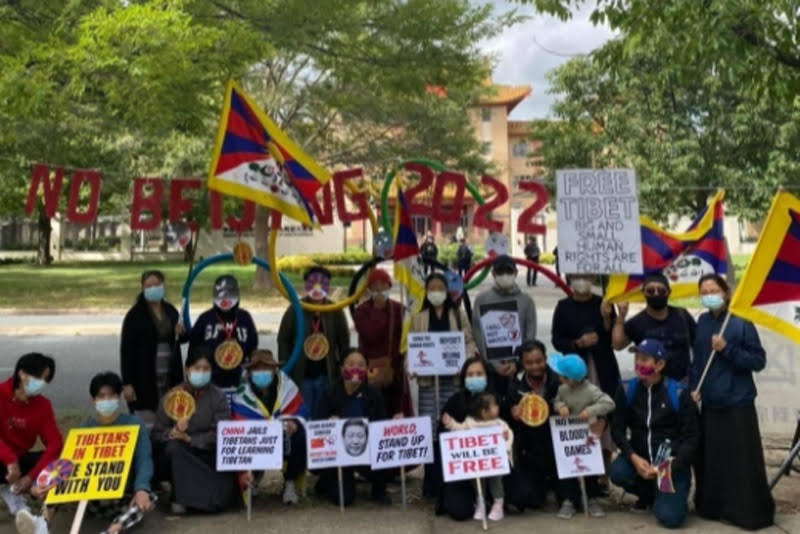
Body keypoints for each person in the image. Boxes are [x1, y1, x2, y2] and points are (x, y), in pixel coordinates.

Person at [18, 372, 158, 534]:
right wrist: (42, 485)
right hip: (91, 500)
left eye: (111, 396)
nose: (106, 401)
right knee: (58, 482)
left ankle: (113, 530)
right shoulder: (84, 429)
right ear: (94, 400)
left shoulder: (134, 424)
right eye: (101, 396)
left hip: (123, 497)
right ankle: (42, 524)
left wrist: (141, 488)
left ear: (119, 398)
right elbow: (66, 464)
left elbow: (144, 459)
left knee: (149, 496)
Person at [689, 274, 774, 530]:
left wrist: (727, 348)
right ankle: (714, 507)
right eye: (704, 291)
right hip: (711, 403)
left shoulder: (741, 321)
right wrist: (695, 388)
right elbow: (699, 361)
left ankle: (747, 512)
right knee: (713, 460)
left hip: (738, 402)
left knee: (741, 461)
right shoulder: (702, 321)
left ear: (726, 292)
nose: (709, 294)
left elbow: (758, 361)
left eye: (714, 289)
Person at [610, 339, 698, 529]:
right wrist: (633, 457)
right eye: (636, 359)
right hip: (640, 460)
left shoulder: (679, 393)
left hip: (669, 466)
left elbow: (692, 439)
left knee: (669, 518)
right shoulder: (627, 389)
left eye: (644, 359)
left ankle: (666, 494)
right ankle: (649, 494)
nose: (638, 364)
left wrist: (670, 466)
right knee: (617, 472)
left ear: (660, 365)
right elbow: (617, 429)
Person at [410, 272, 477, 498]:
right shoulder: (418, 318)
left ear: (446, 291)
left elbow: (468, 340)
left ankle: (454, 478)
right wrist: (411, 366)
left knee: (452, 425)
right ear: (427, 292)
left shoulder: (457, 314)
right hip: (428, 383)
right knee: (430, 428)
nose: (436, 292)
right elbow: (411, 348)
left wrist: (464, 361)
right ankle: (431, 482)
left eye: (440, 287)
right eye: (432, 288)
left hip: (453, 380)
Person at [151, 346, 233, 514]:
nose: (201, 373)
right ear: (187, 370)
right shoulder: (172, 396)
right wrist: (173, 432)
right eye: (197, 368)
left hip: (206, 453)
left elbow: (222, 434)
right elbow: (156, 434)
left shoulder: (218, 397)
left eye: (206, 369)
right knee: (174, 448)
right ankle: (180, 498)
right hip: (179, 454)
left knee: (224, 492)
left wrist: (190, 439)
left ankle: (198, 498)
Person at [554, 273, 620, 468]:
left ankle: (604, 473)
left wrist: (609, 318)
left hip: (602, 368)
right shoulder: (563, 306)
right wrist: (577, 343)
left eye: (585, 276)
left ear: (593, 279)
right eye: (576, 276)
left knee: (603, 417)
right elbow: (556, 340)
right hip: (575, 373)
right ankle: (580, 469)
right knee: (577, 415)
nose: (581, 280)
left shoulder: (604, 304)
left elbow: (614, 339)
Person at [231, 349, 307, 505]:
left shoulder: (287, 386)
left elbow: (301, 410)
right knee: (241, 437)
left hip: (284, 438)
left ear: (274, 369)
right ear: (250, 371)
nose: (261, 372)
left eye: (266, 368)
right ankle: (252, 478)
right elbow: (237, 421)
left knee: (300, 435)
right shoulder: (242, 393)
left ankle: (290, 482)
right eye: (257, 369)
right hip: (256, 442)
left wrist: (294, 422)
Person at [316, 349, 390, 506]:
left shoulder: (374, 394)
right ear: (342, 368)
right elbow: (316, 427)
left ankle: (379, 487)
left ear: (367, 370)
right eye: (350, 364)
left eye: (361, 365)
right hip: (338, 454)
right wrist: (329, 424)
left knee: (387, 452)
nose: (356, 369)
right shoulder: (329, 393)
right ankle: (327, 479)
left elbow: (382, 427)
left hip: (366, 449)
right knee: (343, 499)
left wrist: (396, 424)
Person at [548, 353, 615, 519]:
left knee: (590, 468)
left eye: (562, 375)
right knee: (568, 467)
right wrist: (560, 406)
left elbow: (609, 403)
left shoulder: (591, 390)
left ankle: (592, 499)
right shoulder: (562, 389)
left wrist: (590, 411)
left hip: (588, 436)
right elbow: (556, 401)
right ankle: (569, 500)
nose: (559, 377)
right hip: (569, 436)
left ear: (571, 379)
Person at [278, 266, 350, 420]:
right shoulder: (295, 309)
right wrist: (286, 368)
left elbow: (344, 340)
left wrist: (342, 365)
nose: (317, 287)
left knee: (325, 416)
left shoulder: (335, 309)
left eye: (323, 283)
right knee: (304, 416)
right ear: (305, 285)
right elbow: (283, 339)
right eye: (312, 283)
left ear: (328, 286)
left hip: (328, 376)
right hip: (302, 377)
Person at [0, 353, 62, 528]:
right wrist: (10, 460)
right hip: (4, 458)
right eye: (38, 377)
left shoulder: (42, 405)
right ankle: (14, 491)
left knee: (61, 464)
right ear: (21, 373)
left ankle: (41, 521)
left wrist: (30, 477)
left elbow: (55, 443)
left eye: (45, 379)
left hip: (21, 461)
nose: (41, 383)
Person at [121, 270, 187, 425]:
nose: (153, 288)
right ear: (142, 288)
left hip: (170, 372)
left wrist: (181, 331)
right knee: (148, 419)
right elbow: (126, 351)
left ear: (163, 286)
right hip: (144, 375)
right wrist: (127, 383)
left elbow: (181, 339)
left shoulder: (170, 310)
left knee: (171, 413)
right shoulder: (135, 315)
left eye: (156, 285)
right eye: (148, 286)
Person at [503, 340, 561, 512]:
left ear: (545, 359)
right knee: (527, 500)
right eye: (529, 363)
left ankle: (555, 483)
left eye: (539, 361)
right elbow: (507, 422)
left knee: (570, 497)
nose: (535, 366)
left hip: (555, 445)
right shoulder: (515, 386)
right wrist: (513, 415)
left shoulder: (558, 381)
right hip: (529, 450)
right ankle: (540, 485)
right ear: (522, 363)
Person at [437, 357, 495, 520]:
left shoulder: (496, 400)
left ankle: (492, 500)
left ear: (487, 377)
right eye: (470, 375)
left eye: (479, 373)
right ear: (463, 379)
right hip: (463, 471)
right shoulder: (454, 402)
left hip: (493, 471)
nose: (474, 378)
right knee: (459, 511)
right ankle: (476, 500)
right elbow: (443, 438)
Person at [612, 274, 696, 382]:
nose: (656, 294)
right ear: (644, 293)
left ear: (669, 292)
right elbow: (617, 345)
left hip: (683, 383)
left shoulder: (682, 315)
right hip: (650, 384)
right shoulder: (637, 322)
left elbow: (698, 342)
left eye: (661, 290)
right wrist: (621, 317)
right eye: (651, 290)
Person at [443, 392, 513, 522]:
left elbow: (509, 434)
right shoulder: (470, 423)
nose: (498, 407)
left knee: (496, 480)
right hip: (478, 464)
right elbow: (459, 430)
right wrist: (450, 423)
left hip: (495, 462)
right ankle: (481, 501)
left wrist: (506, 443)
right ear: (484, 411)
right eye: (494, 405)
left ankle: (498, 504)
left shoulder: (499, 423)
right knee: (477, 480)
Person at [472, 254, 537, 394]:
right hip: (490, 370)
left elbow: (530, 336)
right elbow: (478, 335)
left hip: (517, 369)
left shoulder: (526, 301)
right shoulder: (482, 299)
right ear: (493, 273)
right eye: (500, 272)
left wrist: (518, 363)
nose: (505, 275)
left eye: (508, 271)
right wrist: (494, 364)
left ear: (516, 272)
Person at [353, 269, 409, 418]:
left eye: (383, 286)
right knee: (373, 413)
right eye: (375, 287)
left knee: (395, 415)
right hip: (370, 372)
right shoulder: (361, 311)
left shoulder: (399, 309)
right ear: (369, 290)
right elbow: (370, 335)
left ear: (389, 287)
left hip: (395, 373)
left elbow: (408, 337)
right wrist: (378, 310)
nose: (379, 290)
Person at [189, 275, 258, 392]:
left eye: (230, 295)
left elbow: (253, 344)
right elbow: (194, 348)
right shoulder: (205, 318)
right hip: (211, 378)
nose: (225, 300)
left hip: (239, 378)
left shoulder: (244, 317)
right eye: (221, 295)